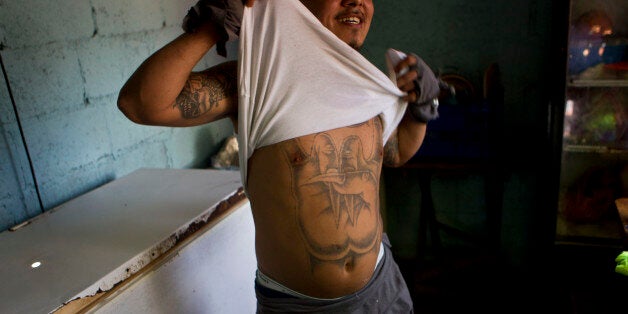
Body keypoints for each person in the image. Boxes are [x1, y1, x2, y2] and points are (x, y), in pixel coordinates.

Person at [118, 0, 443, 312]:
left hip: (383, 290)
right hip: (299, 308)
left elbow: (395, 153)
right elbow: (141, 103)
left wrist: (420, 110)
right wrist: (212, 27)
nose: (356, 1)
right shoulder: (254, 82)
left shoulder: (367, 84)